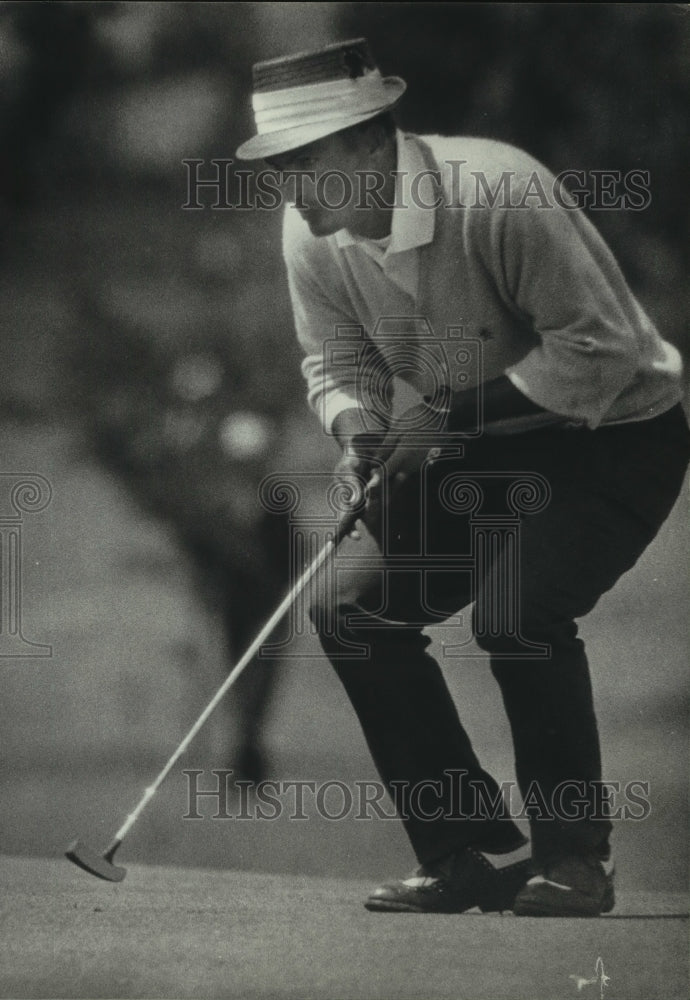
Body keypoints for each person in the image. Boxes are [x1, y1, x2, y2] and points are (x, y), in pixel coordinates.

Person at [235, 38, 689, 917]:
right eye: (278, 167)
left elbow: (600, 351)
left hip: (619, 437)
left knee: (519, 611)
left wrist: (439, 419)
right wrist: (360, 429)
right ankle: (463, 850)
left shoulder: (500, 192)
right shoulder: (311, 232)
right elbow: (333, 363)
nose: (289, 186)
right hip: (481, 444)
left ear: (372, 143)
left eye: (304, 161)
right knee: (347, 605)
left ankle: (576, 861)